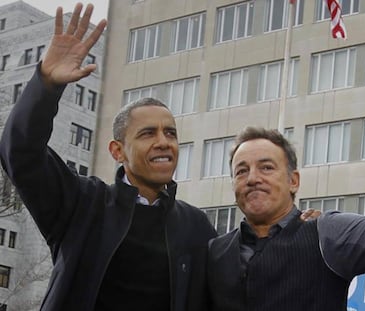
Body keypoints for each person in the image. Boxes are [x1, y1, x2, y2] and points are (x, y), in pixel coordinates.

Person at [0, 4, 218, 311]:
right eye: (147, 134)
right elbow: (20, 153)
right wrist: (46, 85)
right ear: (118, 151)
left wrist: (306, 230)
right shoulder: (82, 204)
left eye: (170, 133)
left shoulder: (196, 225)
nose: (163, 142)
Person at [207, 71, 365, 310]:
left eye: (266, 167)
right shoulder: (215, 251)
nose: (253, 178)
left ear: (293, 180)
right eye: (241, 171)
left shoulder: (329, 233)